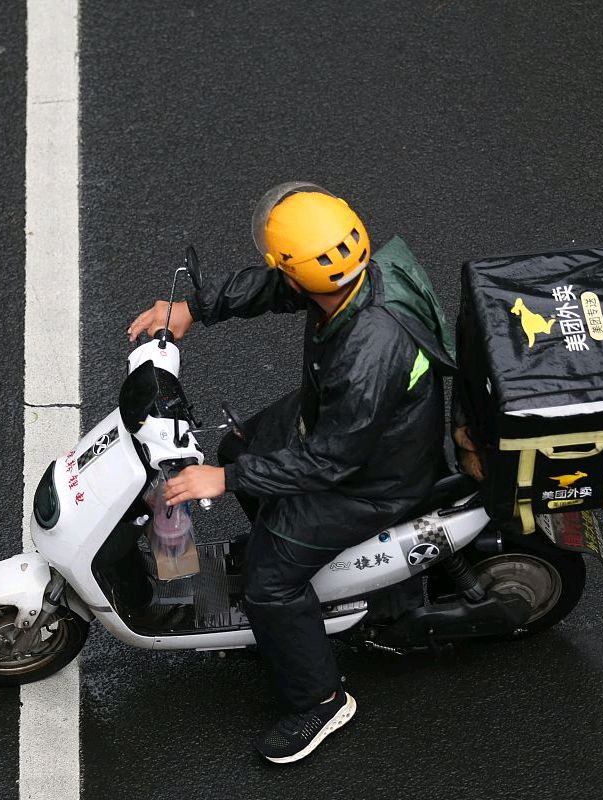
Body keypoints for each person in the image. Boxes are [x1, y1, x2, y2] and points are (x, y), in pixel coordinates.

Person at [127, 182, 453, 764]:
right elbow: (277, 287)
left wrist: (226, 482)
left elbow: (332, 461)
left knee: (268, 583)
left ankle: (322, 701)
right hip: (345, 429)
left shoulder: (368, 351)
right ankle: (296, 582)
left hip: (374, 479)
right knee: (235, 446)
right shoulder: (355, 276)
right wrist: (194, 308)